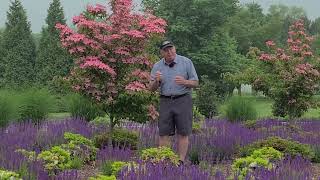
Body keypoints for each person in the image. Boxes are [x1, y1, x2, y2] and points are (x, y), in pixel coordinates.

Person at [149, 40, 199, 164]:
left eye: (171, 49)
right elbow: (151, 88)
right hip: (165, 101)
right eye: (166, 50)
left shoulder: (186, 62)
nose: (169, 52)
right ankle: (164, 161)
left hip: (183, 100)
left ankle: (180, 161)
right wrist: (157, 81)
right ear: (162, 52)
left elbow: (196, 82)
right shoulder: (157, 66)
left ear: (175, 49)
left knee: (183, 132)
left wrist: (185, 82)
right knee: (164, 132)